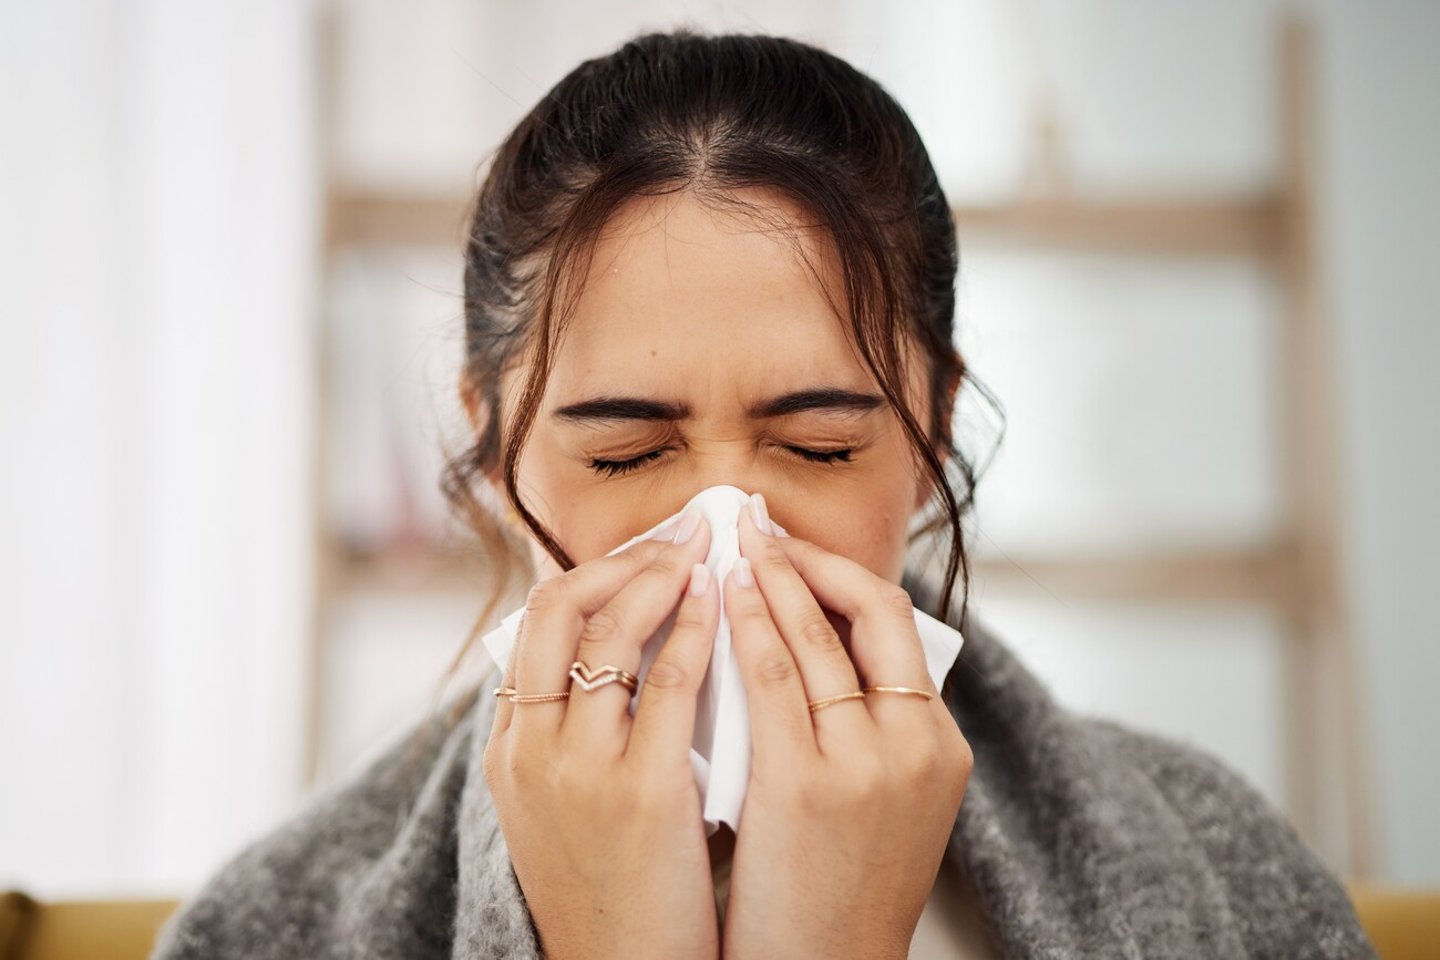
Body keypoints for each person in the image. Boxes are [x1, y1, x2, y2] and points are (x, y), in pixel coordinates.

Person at [151, 28, 1376, 960]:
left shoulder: (1219, 869)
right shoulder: (278, 927)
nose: (728, 540)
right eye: (626, 453)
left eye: (822, 446)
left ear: (933, 425)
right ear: (492, 449)